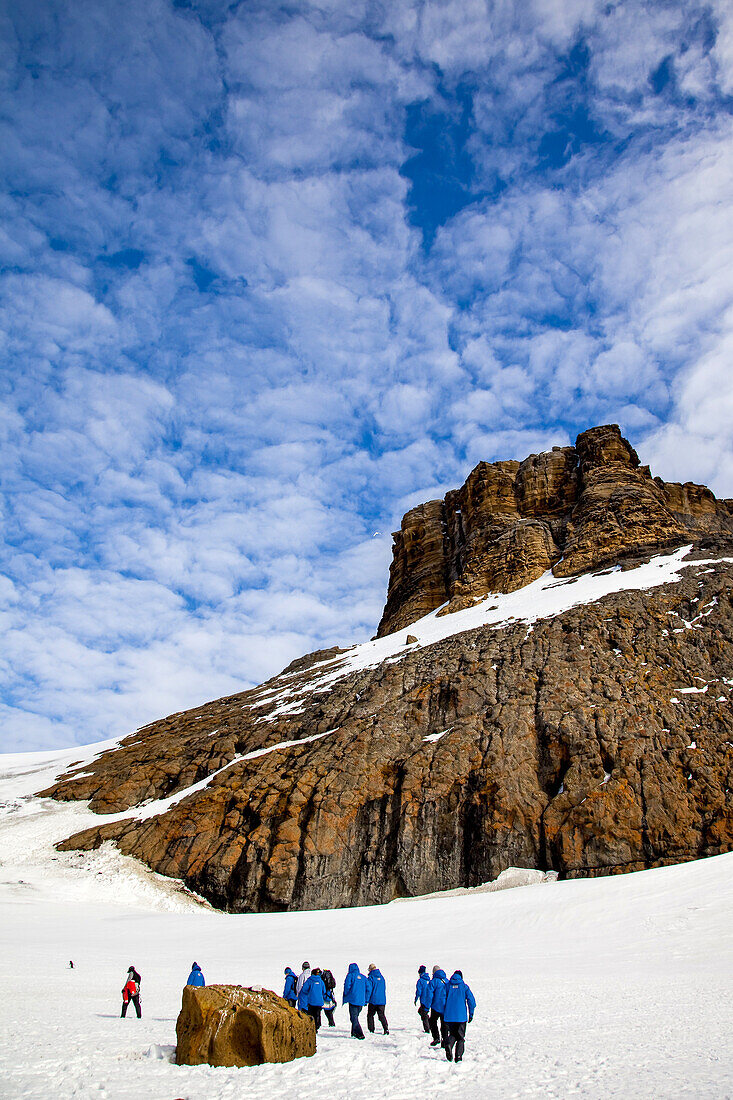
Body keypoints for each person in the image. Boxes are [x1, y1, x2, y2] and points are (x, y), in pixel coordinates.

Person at [442, 970, 476, 1063]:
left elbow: (442, 999)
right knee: (460, 1037)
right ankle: (459, 1057)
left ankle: (449, 1043)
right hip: (461, 1017)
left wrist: (443, 1012)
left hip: (449, 1016)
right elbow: (471, 1001)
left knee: (453, 1034)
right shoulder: (464, 987)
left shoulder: (447, 986)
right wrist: (471, 1013)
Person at [342, 962, 368, 1039]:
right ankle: (353, 1033)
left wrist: (346, 994)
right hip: (361, 1001)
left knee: (354, 1017)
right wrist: (366, 998)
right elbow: (368, 988)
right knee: (355, 1017)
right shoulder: (363, 977)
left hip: (353, 1000)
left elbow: (347, 986)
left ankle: (360, 1034)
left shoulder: (350, 976)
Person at [426, 966, 448, 1047]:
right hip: (445, 1007)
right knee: (444, 1024)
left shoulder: (433, 982)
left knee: (432, 1022)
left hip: (435, 1006)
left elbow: (429, 995)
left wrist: (427, 1006)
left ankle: (436, 1038)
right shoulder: (447, 981)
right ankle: (445, 1040)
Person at [365, 963, 389, 1035]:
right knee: (381, 1015)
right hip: (382, 1000)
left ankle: (371, 1030)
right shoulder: (382, 977)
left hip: (373, 1000)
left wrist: (366, 1000)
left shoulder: (371, 978)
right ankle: (386, 1028)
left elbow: (369, 990)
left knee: (370, 1015)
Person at [415, 965, 431, 1033]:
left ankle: (427, 1029)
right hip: (430, 1000)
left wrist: (416, 999)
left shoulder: (420, 981)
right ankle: (429, 1024)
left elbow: (419, 991)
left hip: (424, 1000)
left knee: (423, 1014)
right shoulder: (429, 980)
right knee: (422, 1012)